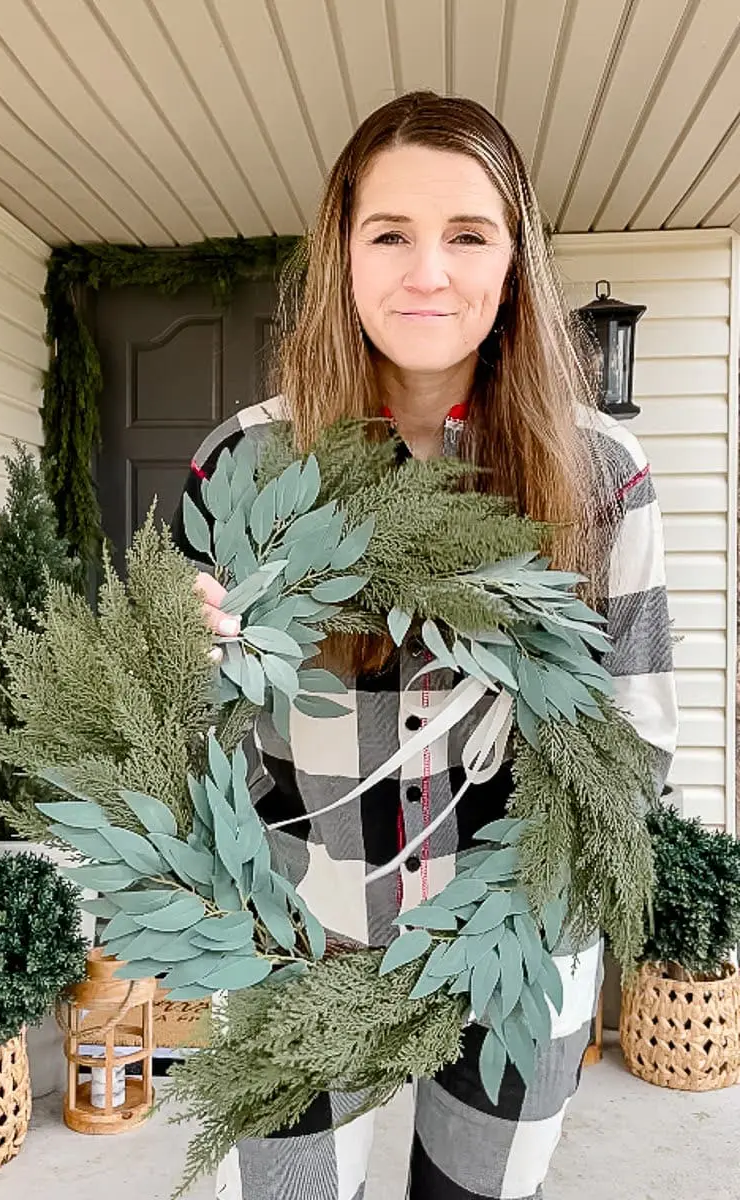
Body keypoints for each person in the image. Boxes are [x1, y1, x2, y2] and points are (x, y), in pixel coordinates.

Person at [171, 91, 678, 1200]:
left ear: (513, 264)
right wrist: (176, 652)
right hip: (291, 950)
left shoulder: (599, 480)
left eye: (466, 235)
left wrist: (541, 903)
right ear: (341, 255)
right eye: (388, 234)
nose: (427, 273)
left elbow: (633, 748)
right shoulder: (242, 468)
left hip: (512, 962)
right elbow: (171, 731)